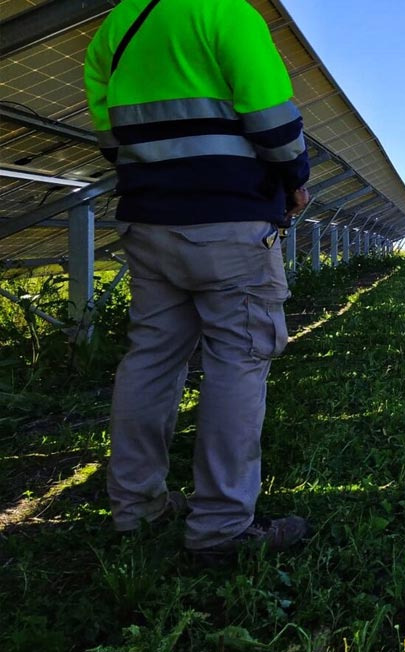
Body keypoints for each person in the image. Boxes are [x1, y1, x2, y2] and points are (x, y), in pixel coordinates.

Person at [84, 0, 311, 559]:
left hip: (148, 221)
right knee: (238, 355)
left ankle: (136, 509)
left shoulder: (114, 29)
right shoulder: (226, 13)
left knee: (152, 357)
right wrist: (295, 179)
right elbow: (274, 123)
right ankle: (222, 526)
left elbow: (110, 139)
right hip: (228, 224)